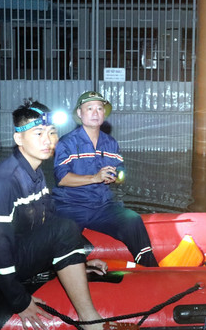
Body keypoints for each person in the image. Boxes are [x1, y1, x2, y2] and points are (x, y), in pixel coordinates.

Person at [0, 100, 139, 330]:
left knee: (66, 223)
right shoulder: (4, 183)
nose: (48, 140)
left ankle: (73, 277)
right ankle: (90, 325)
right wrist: (19, 301)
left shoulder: (34, 172)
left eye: (52, 133)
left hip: (16, 248)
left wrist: (77, 261)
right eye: (38, 133)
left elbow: (48, 219)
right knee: (65, 227)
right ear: (19, 139)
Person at [52, 91, 159, 266]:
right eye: (89, 108)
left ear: (104, 113)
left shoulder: (110, 143)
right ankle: (76, 267)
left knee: (133, 220)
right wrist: (95, 178)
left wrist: (117, 177)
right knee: (64, 235)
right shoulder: (66, 143)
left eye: (100, 108)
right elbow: (62, 178)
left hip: (101, 206)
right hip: (70, 206)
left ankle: (150, 270)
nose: (95, 113)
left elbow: (121, 172)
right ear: (80, 113)